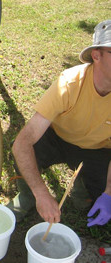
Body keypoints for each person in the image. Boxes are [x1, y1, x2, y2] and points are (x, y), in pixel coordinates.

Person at [7, 20, 111, 227]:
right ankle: (27, 196)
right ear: (96, 56)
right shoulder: (69, 83)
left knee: (96, 203)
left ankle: (84, 185)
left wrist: (109, 192)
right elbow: (22, 143)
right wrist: (41, 193)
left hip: (97, 150)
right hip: (58, 137)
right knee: (27, 153)